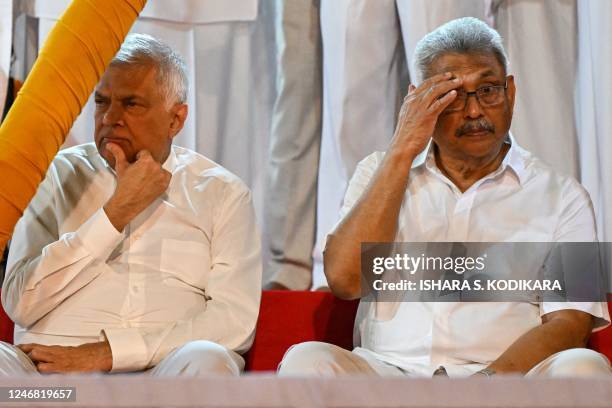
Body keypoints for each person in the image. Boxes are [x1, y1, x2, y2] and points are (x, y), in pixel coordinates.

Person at [278, 17, 611, 378]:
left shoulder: (566, 197)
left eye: (488, 90)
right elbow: (344, 281)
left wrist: (484, 386)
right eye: (452, 95)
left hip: (505, 381)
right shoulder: (378, 172)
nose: (474, 111)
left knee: (584, 368)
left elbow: (571, 323)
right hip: (389, 374)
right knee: (306, 362)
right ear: (421, 102)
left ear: (510, 93)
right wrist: (402, 150)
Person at [0, 34, 261, 376]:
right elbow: (21, 302)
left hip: (161, 378)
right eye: (101, 101)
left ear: (176, 119)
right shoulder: (53, 176)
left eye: (131, 103)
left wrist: (109, 354)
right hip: (53, 382)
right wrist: (114, 214)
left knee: (207, 359)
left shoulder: (222, 192)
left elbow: (233, 323)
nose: (110, 118)